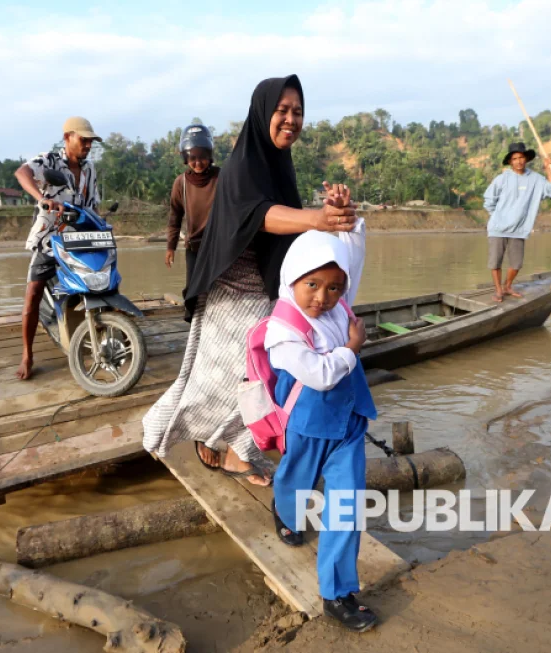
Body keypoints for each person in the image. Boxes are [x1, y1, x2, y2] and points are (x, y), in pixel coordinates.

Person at [142, 75, 358, 485]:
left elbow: (290, 224)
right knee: (220, 378)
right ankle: (179, 434)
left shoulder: (279, 164)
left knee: (259, 376)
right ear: (262, 113)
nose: (291, 119)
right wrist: (317, 218)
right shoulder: (242, 165)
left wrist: (329, 211)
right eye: (282, 110)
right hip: (233, 291)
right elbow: (256, 215)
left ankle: (239, 452)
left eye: (298, 112)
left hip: (266, 291)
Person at [266, 187, 379, 632]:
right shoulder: (282, 329)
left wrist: (344, 215)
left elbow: (352, 254)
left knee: (346, 506)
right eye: (312, 284)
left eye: (334, 287)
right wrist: (352, 348)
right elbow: (319, 374)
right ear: (292, 278)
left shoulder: (338, 304)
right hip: (309, 422)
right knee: (295, 481)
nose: (322, 297)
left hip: (347, 424)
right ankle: (285, 511)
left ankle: (338, 593)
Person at [12, 116, 102, 380]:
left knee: (101, 282)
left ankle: (101, 333)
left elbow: (93, 204)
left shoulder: (89, 169)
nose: (88, 145)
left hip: (80, 239)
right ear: (67, 138)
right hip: (50, 238)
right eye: (83, 140)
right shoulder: (50, 161)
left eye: (90, 141)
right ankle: (27, 354)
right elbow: (22, 173)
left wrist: (100, 225)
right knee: (33, 293)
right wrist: (42, 199)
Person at [482, 141, 551, 302]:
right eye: (515, 158)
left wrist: (549, 169)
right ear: (510, 161)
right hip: (498, 228)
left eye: (521, 157)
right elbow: (489, 200)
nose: (518, 161)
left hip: (519, 229)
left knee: (516, 264)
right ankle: (498, 290)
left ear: (526, 159)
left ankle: (507, 286)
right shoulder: (502, 179)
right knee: (495, 262)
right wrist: (497, 217)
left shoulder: (535, 179)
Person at [165, 123, 220, 290]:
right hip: (194, 248)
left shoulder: (221, 178)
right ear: (186, 159)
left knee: (219, 292)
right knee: (193, 293)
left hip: (219, 247)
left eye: (202, 157)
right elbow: (175, 218)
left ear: (209, 156)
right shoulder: (180, 183)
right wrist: (171, 247)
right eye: (192, 158)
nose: (198, 163)